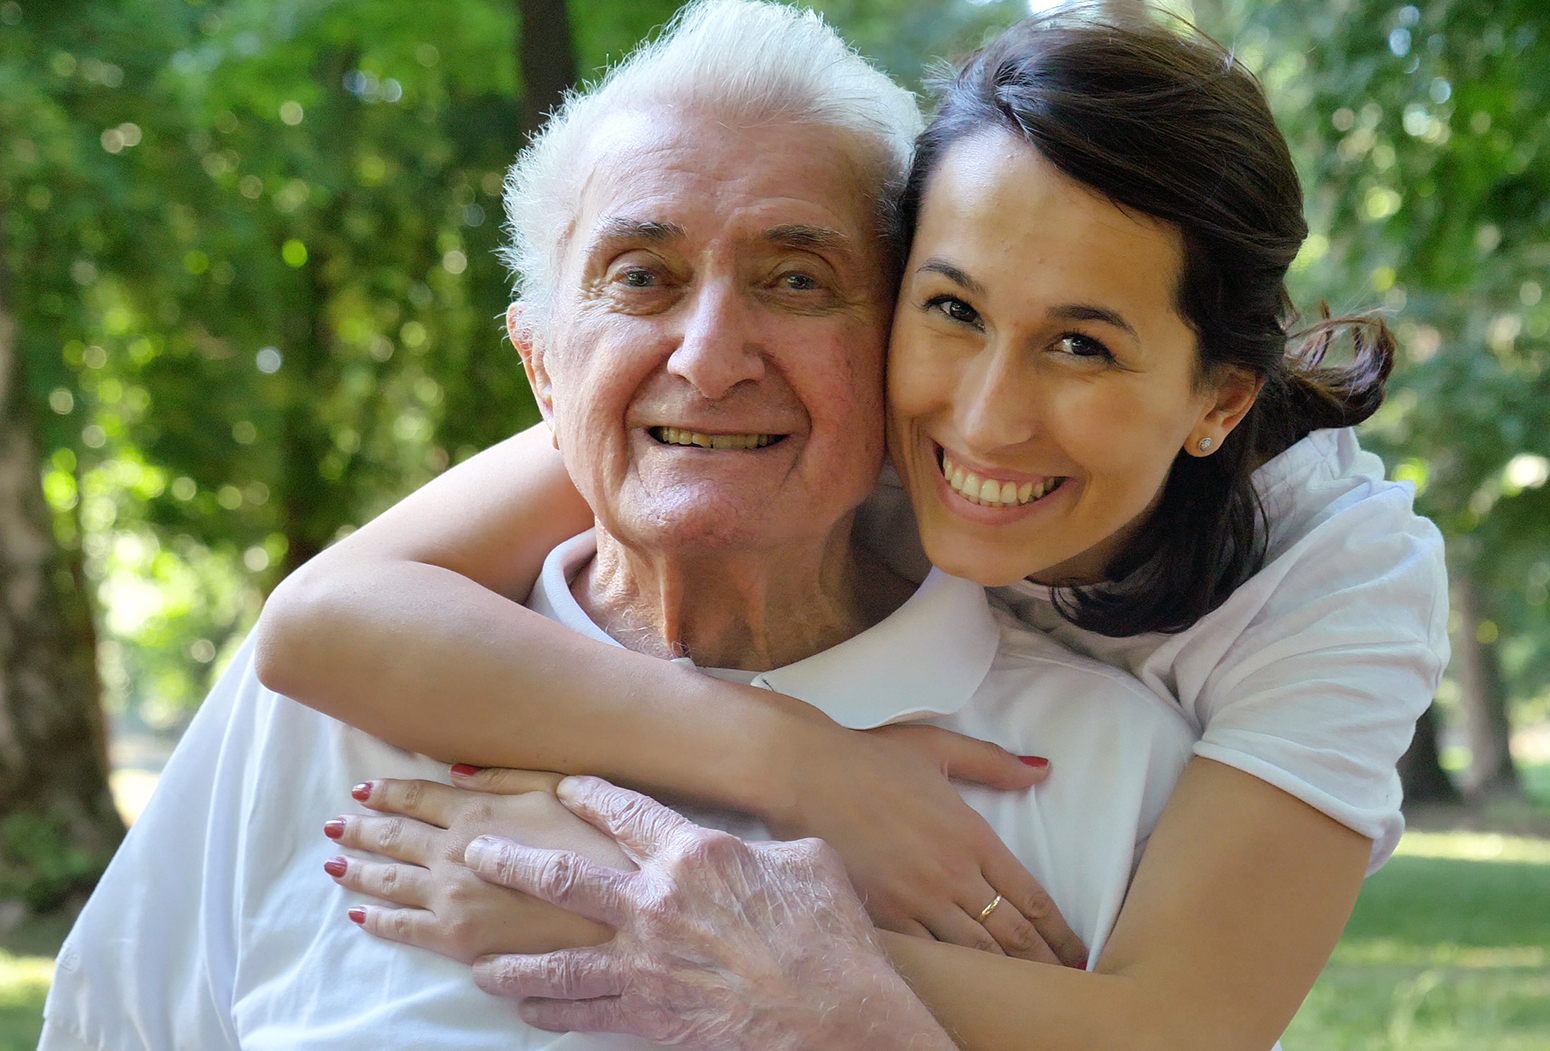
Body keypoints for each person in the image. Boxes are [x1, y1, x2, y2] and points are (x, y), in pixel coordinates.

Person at [253, 1, 1448, 1047]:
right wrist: (795, 762)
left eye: (1080, 345)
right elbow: (324, 621)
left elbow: (1173, 1030)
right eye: (951, 308)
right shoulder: (800, 399)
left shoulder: (1334, 577)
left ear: (1217, 401)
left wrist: (634, 899)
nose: (982, 418)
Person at [37, 4, 1203, 1049]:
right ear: (540, 367)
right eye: (639, 276)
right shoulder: (320, 710)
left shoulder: (1100, 770)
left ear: (899, 342)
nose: (707, 357)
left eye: (796, 280)